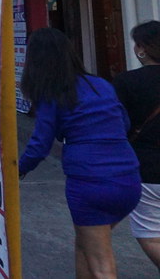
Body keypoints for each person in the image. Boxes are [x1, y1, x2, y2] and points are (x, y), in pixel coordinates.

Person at [18, 27, 141, 278]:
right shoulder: (101, 85)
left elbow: (40, 144)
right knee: (85, 243)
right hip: (129, 180)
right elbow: (124, 123)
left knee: (101, 264)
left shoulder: (50, 93)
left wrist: (17, 169)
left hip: (90, 184)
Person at [113, 21, 160, 269]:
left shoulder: (126, 82)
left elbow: (115, 125)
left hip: (147, 169)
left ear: (142, 48)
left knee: (150, 234)